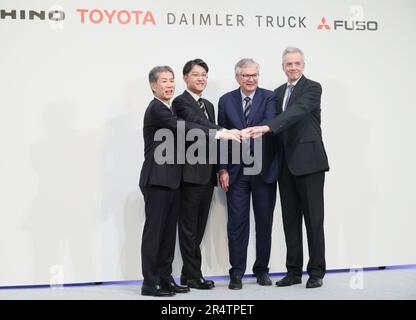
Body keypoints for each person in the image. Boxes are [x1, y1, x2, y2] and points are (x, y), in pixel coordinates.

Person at [139, 66, 240, 297]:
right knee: (155, 234)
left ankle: (165, 279)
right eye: (163, 81)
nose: (169, 85)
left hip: (172, 181)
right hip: (156, 180)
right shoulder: (157, 109)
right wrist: (219, 132)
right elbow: (184, 127)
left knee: (167, 236)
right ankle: (150, 282)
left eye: (171, 80)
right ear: (153, 86)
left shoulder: (169, 108)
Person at [244, 47, 330, 288]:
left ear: (303, 65)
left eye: (297, 63)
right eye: (289, 64)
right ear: (283, 67)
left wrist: (267, 127)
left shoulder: (312, 88)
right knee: (290, 220)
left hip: (310, 163)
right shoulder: (278, 92)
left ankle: (316, 272)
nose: (293, 67)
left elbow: (296, 112)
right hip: (285, 166)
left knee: (313, 220)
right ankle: (293, 271)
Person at [217, 58, 279, 290]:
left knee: (264, 223)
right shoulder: (225, 101)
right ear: (237, 77)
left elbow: (271, 123)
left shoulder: (269, 97)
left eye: (254, 75)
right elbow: (221, 137)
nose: (251, 79)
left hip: (264, 170)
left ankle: (261, 270)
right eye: (246, 75)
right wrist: (221, 168)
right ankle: (237, 273)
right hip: (236, 172)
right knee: (237, 224)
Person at [172, 59, 217, 290]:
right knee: (189, 228)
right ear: (185, 78)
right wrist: (220, 130)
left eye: (205, 75)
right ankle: (194, 275)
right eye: (196, 74)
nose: (201, 78)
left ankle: (187, 274)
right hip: (189, 175)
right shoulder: (180, 102)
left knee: (198, 227)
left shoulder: (209, 104)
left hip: (207, 175)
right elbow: (196, 123)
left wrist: (219, 169)